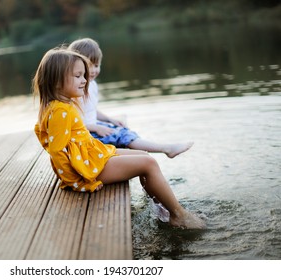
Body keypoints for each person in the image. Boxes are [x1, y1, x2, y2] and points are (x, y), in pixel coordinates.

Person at [33, 47, 206, 229]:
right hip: (87, 168)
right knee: (149, 164)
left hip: (91, 156)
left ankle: (161, 206)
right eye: (78, 76)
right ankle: (178, 215)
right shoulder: (60, 110)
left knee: (144, 156)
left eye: (84, 75)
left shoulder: (61, 105)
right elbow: (56, 151)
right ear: (56, 81)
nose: (84, 80)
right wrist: (76, 183)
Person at [68, 38, 193, 158]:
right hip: (85, 135)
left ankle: (146, 152)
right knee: (123, 135)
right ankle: (166, 149)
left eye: (96, 65)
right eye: (89, 65)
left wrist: (109, 119)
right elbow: (72, 123)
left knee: (122, 127)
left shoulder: (92, 85)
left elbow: (90, 110)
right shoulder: (76, 90)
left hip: (92, 127)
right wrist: (97, 128)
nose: (94, 70)